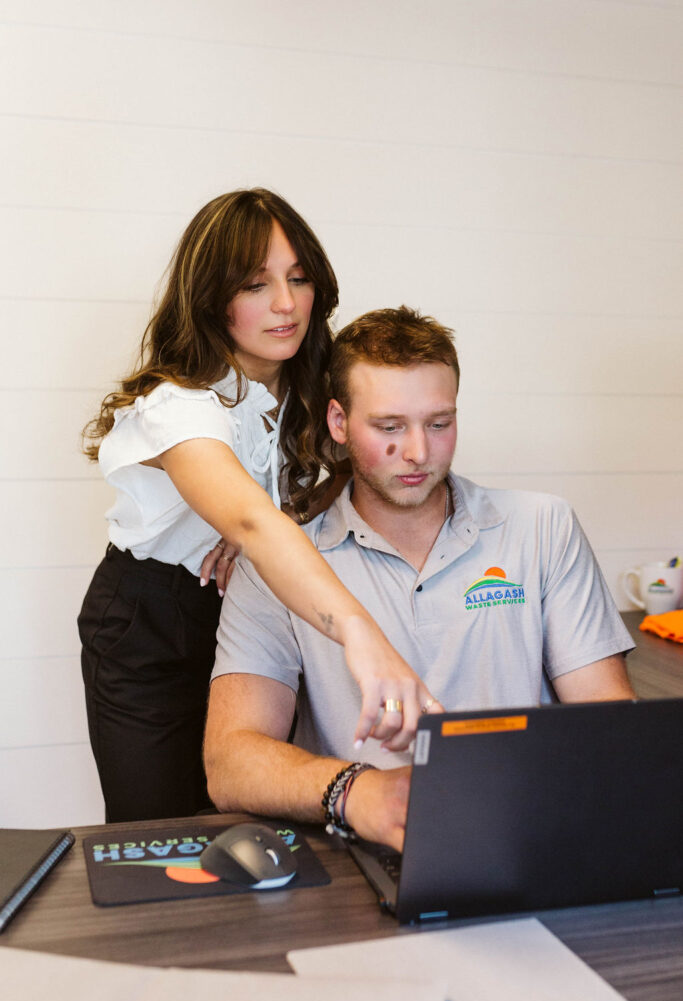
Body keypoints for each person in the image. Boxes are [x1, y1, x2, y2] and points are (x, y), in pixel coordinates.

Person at [204, 305, 636, 852]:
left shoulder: (542, 527)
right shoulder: (278, 562)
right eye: (389, 427)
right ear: (338, 422)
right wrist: (355, 791)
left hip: (532, 835)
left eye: (439, 423)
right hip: (362, 848)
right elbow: (230, 762)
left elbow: (612, 724)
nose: (418, 452)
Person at [78, 195, 437, 823]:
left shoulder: (306, 389)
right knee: (164, 834)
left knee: (257, 819)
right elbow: (249, 518)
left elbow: (363, 468)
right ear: (214, 297)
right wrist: (361, 633)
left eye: (299, 278)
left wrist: (284, 517)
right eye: (257, 283)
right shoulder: (179, 405)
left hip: (254, 610)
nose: (286, 303)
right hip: (152, 620)